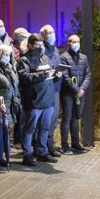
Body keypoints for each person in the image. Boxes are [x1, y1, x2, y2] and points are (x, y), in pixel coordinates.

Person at [17, 34, 59, 166]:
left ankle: (42, 152)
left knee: (45, 128)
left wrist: (56, 75)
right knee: (30, 129)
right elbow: (25, 77)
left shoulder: (45, 58)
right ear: (30, 45)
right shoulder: (24, 60)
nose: (40, 47)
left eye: (42, 45)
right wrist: (42, 75)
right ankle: (27, 154)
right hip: (34, 101)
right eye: (37, 45)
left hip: (48, 99)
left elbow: (49, 74)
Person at [59, 35, 91, 154]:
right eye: (73, 42)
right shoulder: (64, 57)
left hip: (80, 94)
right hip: (67, 93)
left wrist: (81, 89)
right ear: (69, 43)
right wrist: (76, 89)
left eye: (77, 42)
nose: (76, 44)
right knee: (67, 118)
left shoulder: (84, 58)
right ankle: (64, 145)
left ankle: (76, 143)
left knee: (76, 118)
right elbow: (65, 76)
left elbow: (88, 74)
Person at [38, 24, 63, 157]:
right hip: (46, 90)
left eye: (53, 32)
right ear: (43, 35)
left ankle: (50, 144)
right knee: (45, 120)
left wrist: (60, 72)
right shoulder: (41, 50)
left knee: (53, 120)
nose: (52, 35)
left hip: (56, 89)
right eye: (49, 32)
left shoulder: (56, 50)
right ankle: (42, 147)